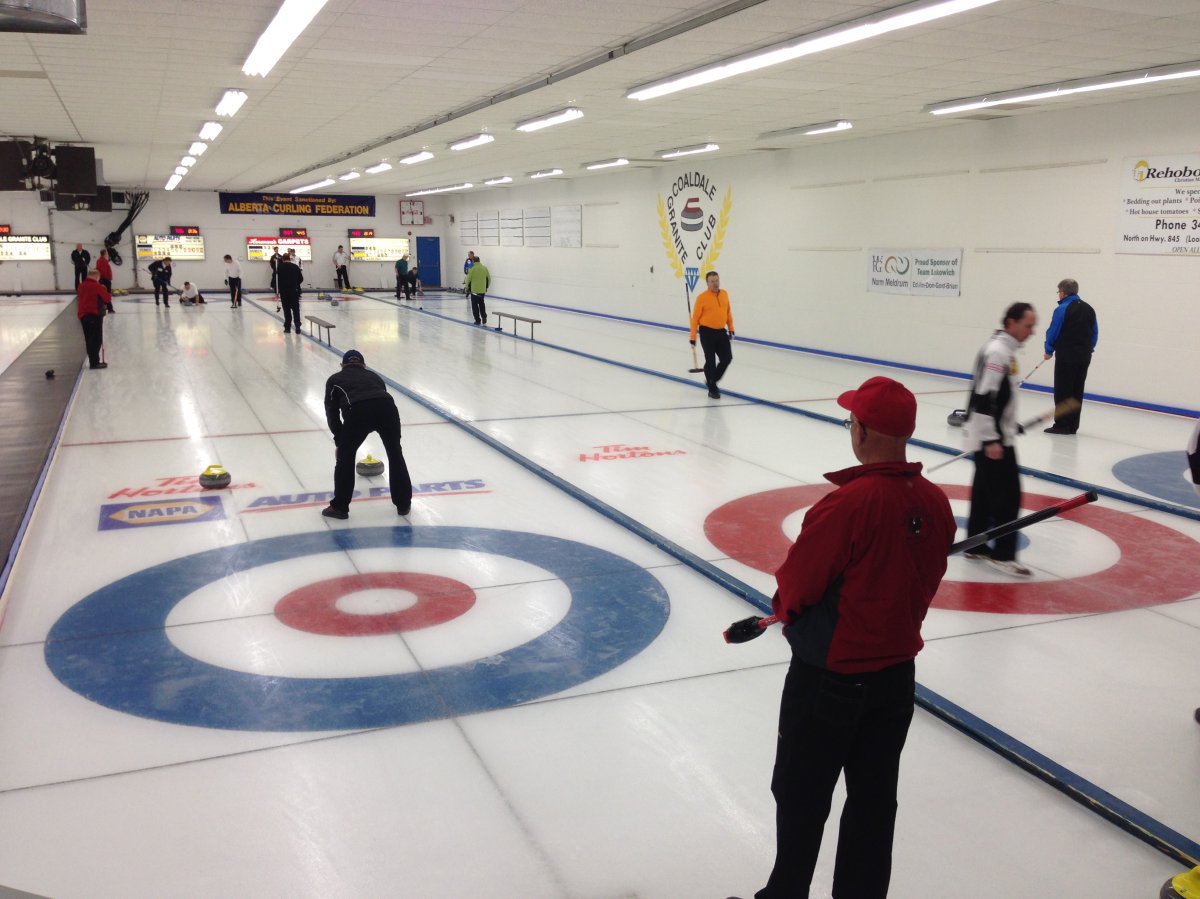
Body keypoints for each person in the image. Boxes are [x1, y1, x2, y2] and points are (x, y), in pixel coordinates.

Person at [746, 376, 955, 899]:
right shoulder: (934, 503)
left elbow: (796, 585)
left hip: (829, 681)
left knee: (800, 793)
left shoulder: (846, 506)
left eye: (851, 421)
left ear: (861, 431)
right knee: (873, 801)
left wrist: (786, 613)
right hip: (895, 681)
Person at [964, 302, 1038, 577]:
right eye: (1028, 325)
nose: (1031, 331)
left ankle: (975, 544)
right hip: (991, 440)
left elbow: (1001, 397)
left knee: (984, 493)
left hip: (993, 434)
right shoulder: (998, 352)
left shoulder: (1005, 350)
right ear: (1011, 322)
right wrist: (993, 438)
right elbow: (985, 396)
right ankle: (1004, 553)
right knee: (1008, 496)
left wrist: (1007, 425)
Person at [321, 349, 414, 520]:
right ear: (363, 365)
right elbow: (380, 398)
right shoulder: (374, 377)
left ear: (342, 365)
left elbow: (331, 413)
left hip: (358, 411)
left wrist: (340, 442)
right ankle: (403, 503)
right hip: (388, 409)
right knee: (395, 453)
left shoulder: (334, 380)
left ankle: (340, 507)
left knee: (346, 457)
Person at [1042, 278, 1098, 435]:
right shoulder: (1089, 309)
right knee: (1076, 389)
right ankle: (1073, 425)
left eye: (1059, 292)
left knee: (1063, 390)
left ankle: (1062, 425)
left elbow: (1054, 330)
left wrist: (1049, 349)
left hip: (1067, 355)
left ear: (1063, 292)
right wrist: (1089, 349)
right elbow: (1094, 333)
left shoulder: (1062, 308)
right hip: (1084, 355)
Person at [689, 270, 735, 399]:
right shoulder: (702, 298)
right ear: (707, 283)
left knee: (727, 358)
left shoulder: (724, 294)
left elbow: (728, 313)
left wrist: (731, 328)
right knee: (711, 361)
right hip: (706, 332)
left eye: (717, 280)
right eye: (712, 281)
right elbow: (695, 319)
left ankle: (711, 379)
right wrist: (693, 337)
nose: (715, 283)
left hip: (721, 332)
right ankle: (712, 388)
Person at [77, 268, 110, 370]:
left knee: (89, 339)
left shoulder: (81, 285)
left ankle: (93, 360)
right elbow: (107, 298)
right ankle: (94, 362)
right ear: (96, 276)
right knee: (96, 340)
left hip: (83, 315)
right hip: (94, 315)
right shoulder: (97, 286)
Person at [276, 251, 304, 333]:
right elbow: (301, 279)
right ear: (289, 259)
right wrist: (295, 284)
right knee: (296, 309)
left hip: (284, 291)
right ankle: (297, 326)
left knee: (286, 309)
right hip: (294, 291)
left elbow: (277, 279)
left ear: (283, 259)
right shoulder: (295, 267)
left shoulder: (280, 267)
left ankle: (287, 327)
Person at [464, 255, 490, 324]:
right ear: (479, 261)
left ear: (473, 261)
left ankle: (477, 320)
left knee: (475, 305)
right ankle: (484, 316)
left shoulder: (472, 269)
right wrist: (486, 287)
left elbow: (468, 279)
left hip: (474, 291)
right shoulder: (484, 268)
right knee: (482, 303)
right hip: (482, 290)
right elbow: (489, 279)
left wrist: (466, 288)